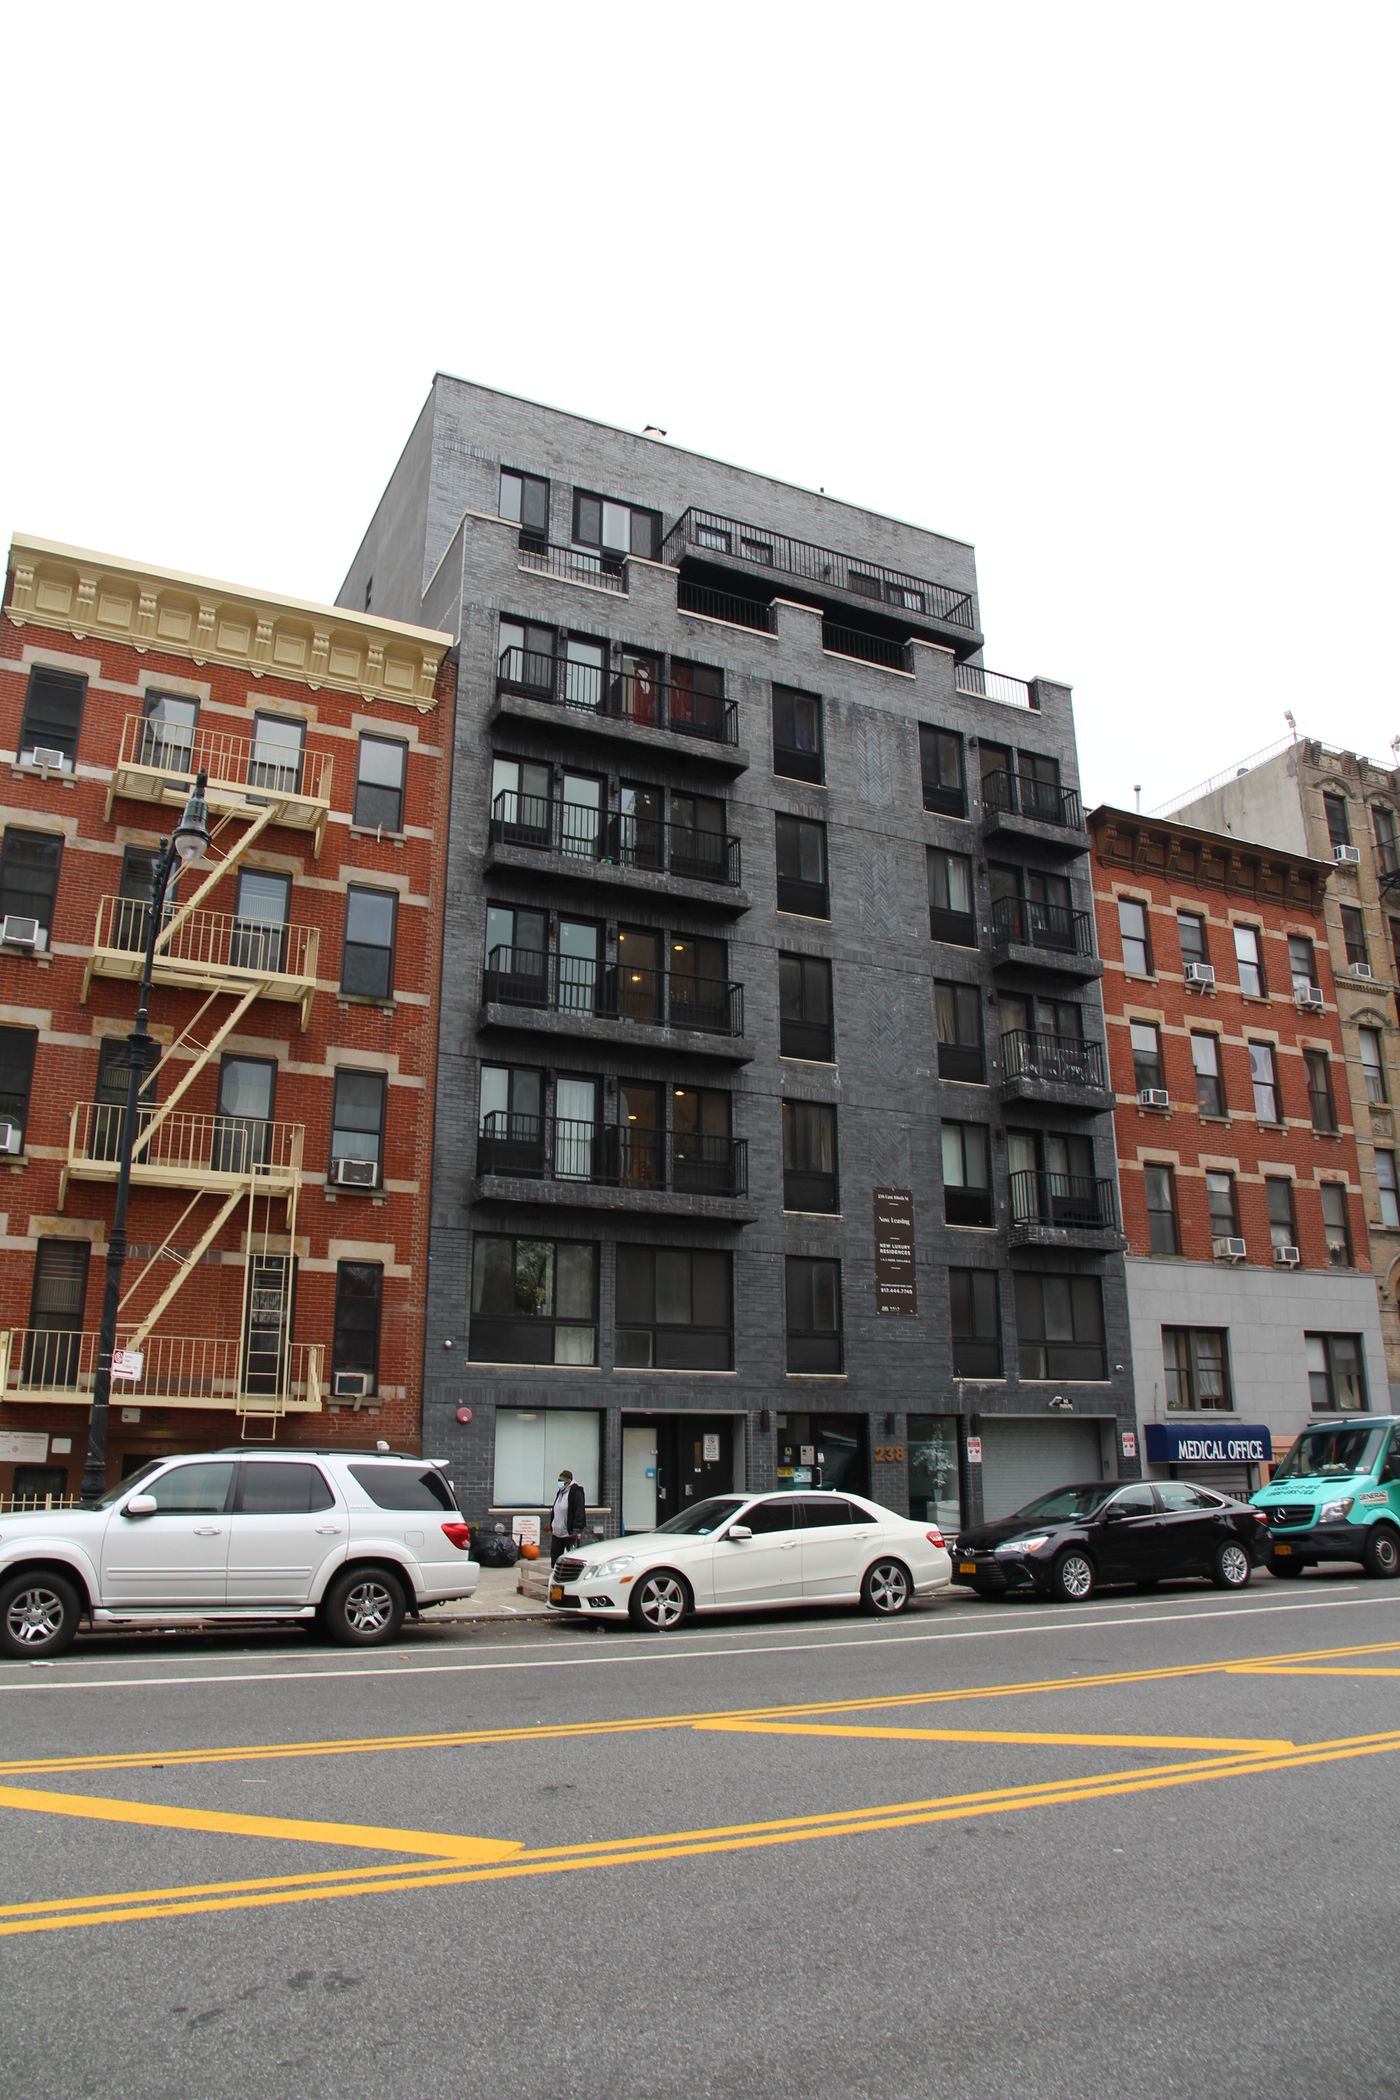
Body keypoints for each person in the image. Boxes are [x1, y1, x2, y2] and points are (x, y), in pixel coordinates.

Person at [549, 1469, 587, 1564]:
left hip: (569, 1532)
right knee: (555, 1558)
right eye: (558, 1481)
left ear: (568, 1482)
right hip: (557, 1532)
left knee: (571, 1558)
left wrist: (577, 1527)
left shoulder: (576, 1492)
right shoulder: (560, 1493)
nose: (559, 1483)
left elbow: (579, 1510)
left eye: (561, 1481)